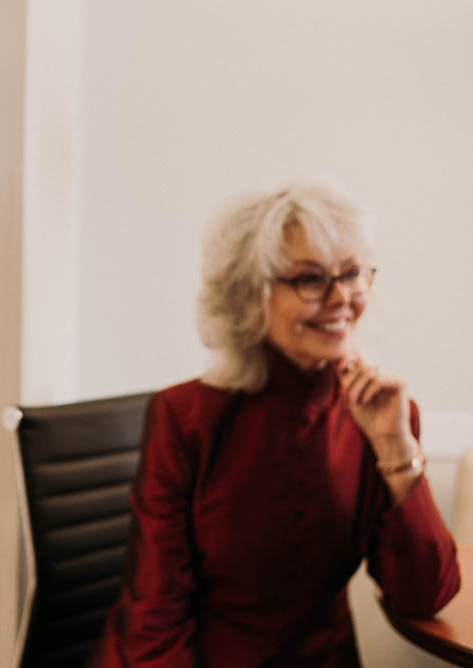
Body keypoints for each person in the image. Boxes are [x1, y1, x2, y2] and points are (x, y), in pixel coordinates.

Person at [91, 184, 460, 667]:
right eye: (310, 279)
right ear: (249, 295)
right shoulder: (186, 418)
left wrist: (396, 451)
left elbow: (424, 597)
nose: (341, 297)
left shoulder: (384, 415)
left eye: (352, 273)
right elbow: (156, 621)